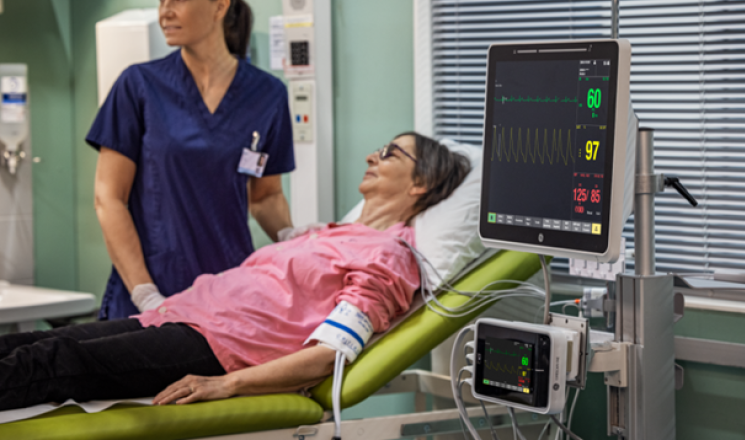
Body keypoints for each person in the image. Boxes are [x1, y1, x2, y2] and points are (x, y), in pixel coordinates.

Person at [0, 133, 470, 411]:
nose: (372, 156)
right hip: (174, 318)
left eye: (390, 154)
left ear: (421, 183)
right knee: (28, 344)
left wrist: (227, 384)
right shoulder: (325, 233)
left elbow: (333, 353)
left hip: (218, 348)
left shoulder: (389, 257)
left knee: (56, 359)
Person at [86, 0, 295, 320]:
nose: (165, 11)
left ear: (220, 6)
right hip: (149, 292)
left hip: (227, 293)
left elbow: (265, 196)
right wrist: (144, 292)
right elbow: (108, 199)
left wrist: (294, 238)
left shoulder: (267, 95)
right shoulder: (139, 86)